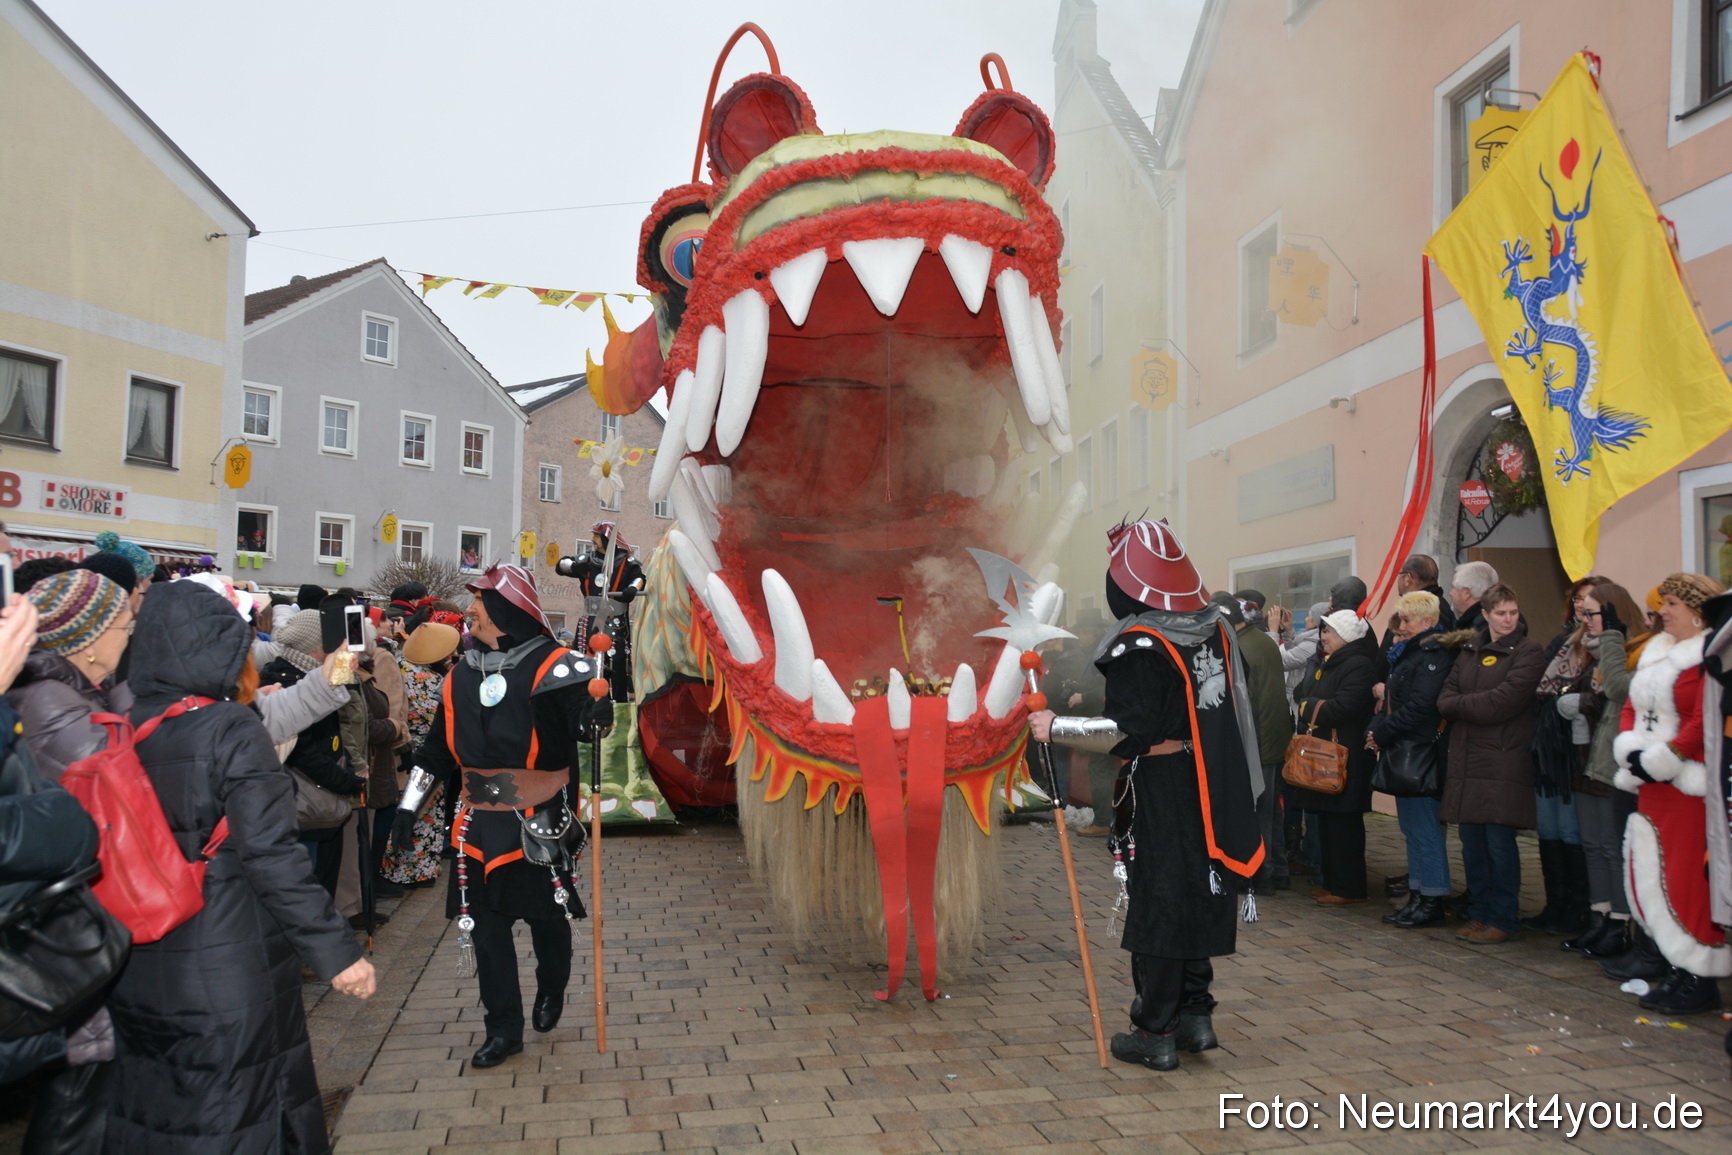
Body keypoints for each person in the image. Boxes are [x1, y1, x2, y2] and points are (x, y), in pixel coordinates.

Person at [104, 580, 376, 1152]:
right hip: (226, 955)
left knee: (159, 1109)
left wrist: (333, 675)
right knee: (244, 1109)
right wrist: (336, 953)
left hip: (141, 958)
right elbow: (272, 855)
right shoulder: (230, 728)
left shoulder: (124, 720)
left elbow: (286, 708)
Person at [1029, 519, 1263, 1073]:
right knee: (1202, 890)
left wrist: (1056, 725)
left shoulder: (1141, 645)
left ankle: (1154, 1030)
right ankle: (1196, 1016)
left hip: (1163, 787)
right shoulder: (1217, 629)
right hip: (1210, 778)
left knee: (1162, 901)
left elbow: (1127, 730)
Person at [408, 564, 609, 1068]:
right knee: (484, 928)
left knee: (547, 919)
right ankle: (503, 1028)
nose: (470, 610)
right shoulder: (459, 673)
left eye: (478, 602)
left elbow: (578, 724)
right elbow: (435, 751)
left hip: (537, 819)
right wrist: (408, 806)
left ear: (503, 609)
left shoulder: (557, 666)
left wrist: (593, 718)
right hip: (476, 823)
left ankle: (553, 986)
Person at [1612, 572, 1729, 1014]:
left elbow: (1706, 719)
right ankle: (1677, 967)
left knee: (1687, 880)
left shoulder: (1711, 654)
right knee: (1654, 874)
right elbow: (1631, 706)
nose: (1662, 611)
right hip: (1651, 783)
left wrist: (1666, 757)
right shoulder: (1656, 650)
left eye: (1672, 605)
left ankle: (1701, 974)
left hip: (1687, 786)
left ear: (1698, 611)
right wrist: (1631, 750)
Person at [1437, 582, 1545, 944]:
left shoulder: (1529, 652)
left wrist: (1466, 706)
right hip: (1468, 763)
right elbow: (1444, 699)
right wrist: (1471, 705)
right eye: (1501, 613)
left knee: (1500, 846)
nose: (1508, 619)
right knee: (1473, 845)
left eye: (1513, 612)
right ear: (1486, 615)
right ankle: (1479, 913)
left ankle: (1503, 918)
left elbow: (1504, 702)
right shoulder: (1470, 649)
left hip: (1503, 762)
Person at [1565, 581, 1650, 961]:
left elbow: (1618, 691)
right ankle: (1600, 916)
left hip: (1616, 764)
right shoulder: (1596, 650)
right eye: (1582, 614)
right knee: (1594, 846)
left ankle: (1619, 922)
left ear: (1613, 614)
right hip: (1591, 759)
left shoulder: (1635, 650)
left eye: (1592, 614)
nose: (1585, 621)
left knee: (1615, 850)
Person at [1367, 591, 1458, 928]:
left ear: (1427, 622)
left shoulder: (1433, 656)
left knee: (1425, 830)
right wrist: (1376, 729)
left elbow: (1421, 707)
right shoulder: (1412, 654)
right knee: (1412, 829)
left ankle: (1431, 899)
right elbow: (1393, 701)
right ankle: (1418, 896)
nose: (1400, 627)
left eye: (1406, 621)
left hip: (1421, 753)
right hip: (1405, 750)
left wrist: (1382, 733)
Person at [1522, 578, 1607, 937]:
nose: (1579, 609)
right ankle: (1555, 905)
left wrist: (1572, 699)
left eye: (1586, 603)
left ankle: (1581, 910)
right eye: (1575, 602)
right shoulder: (1563, 642)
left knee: (1574, 831)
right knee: (1550, 828)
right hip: (1550, 747)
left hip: (1579, 753)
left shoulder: (1606, 648)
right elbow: (1541, 687)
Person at [1290, 610, 1379, 906]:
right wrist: (1311, 704)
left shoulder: (1358, 665)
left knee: (1344, 825)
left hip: (1347, 755)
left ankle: (1349, 887)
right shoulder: (1328, 662)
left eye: (1328, 632)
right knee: (1328, 821)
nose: (1322, 637)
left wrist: (1309, 707)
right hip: (1325, 752)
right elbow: (1304, 692)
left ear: (1345, 636)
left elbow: (1342, 707)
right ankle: (1332, 881)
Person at [7, 570, 131, 781]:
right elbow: (118, 781)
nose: (129, 635)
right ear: (89, 642)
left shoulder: (83, 686)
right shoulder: (49, 700)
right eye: (125, 626)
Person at [1213, 592, 1291, 891]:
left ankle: (1262, 875)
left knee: (1257, 811)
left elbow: (1243, 703)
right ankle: (1279, 870)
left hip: (1257, 740)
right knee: (1271, 810)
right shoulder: (1262, 641)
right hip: (1272, 736)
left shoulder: (1239, 649)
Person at [379, 615, 463, 886]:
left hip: (407, 754)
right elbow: (435, 719)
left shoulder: (403, 666)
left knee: (409, 812)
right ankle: (414, 872)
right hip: (425, 756)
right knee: (424, 816)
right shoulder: (428, 678)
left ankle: (402, 869)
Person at [556, 522, 645, 699]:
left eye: (596, 536)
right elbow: (561, 564)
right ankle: (585, 704)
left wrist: (632, 589)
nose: (592, 540)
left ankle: (618, 706)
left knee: (617, 662)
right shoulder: (587, 560)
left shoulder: (628, 562)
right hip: (589, 621)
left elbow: (639, 578)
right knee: (585, 661)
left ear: (607, 539)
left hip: (616, 621)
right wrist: (574, 567)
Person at [1447, 561, 1499, 636]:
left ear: (1467, 593)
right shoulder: (1482, 622)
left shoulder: (1481, 628)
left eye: (1454, 588)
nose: (1450, 593)